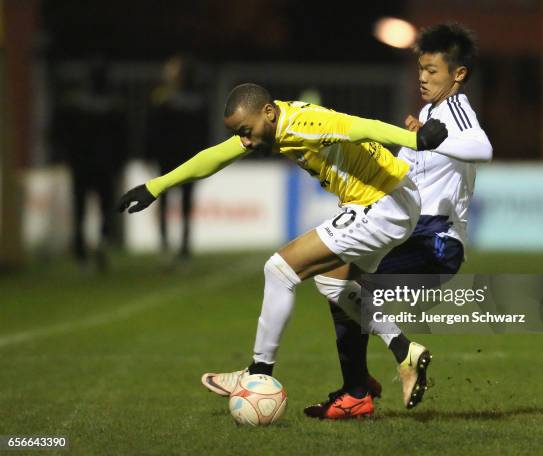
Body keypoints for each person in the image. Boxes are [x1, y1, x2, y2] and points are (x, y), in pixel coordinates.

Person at [118, 83, 448, 418]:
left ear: (268, 113)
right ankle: (400, 355)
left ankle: (258, 372)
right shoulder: (273, 124)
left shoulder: (303, 124)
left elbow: (360, 126)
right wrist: (155, 186)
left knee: (279, 269)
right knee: (333, 285)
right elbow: (215, 156)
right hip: (391, 199)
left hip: (383, 203)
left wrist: (416, 141)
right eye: (239, 135)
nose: (245, 142)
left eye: (246, 132)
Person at [303, 22, 493, 419]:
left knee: (348, 286)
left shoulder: (455, 109)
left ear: (458, 75)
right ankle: (357, 388)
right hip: (409, 231)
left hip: (436, 239)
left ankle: (374, 375)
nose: (422, 78)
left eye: (432, 71)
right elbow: (403, 171)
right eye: (420, 69)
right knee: (339, 282)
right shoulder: (428, 113)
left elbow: (483, 148)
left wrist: (432, 138)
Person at [52, 60, 127, 271]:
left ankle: (80, 251)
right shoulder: (114, 107)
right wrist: (119, 163)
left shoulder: (75, 105)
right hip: (105, 165)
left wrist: (65, 156)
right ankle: (101, 244)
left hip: (81, 164)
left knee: (80, 209)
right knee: (105, 208)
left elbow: (61, 134)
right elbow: (122, 139)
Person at [146, 55, 208, 262]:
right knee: (186, 201)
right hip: (189, 158)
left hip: (169, 156)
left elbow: (153, 130)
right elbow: (203, 133)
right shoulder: (198, 100)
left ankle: (167, 243)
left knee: (165, 197)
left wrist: (150, 153)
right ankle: (183, 245)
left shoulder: (163, 99)